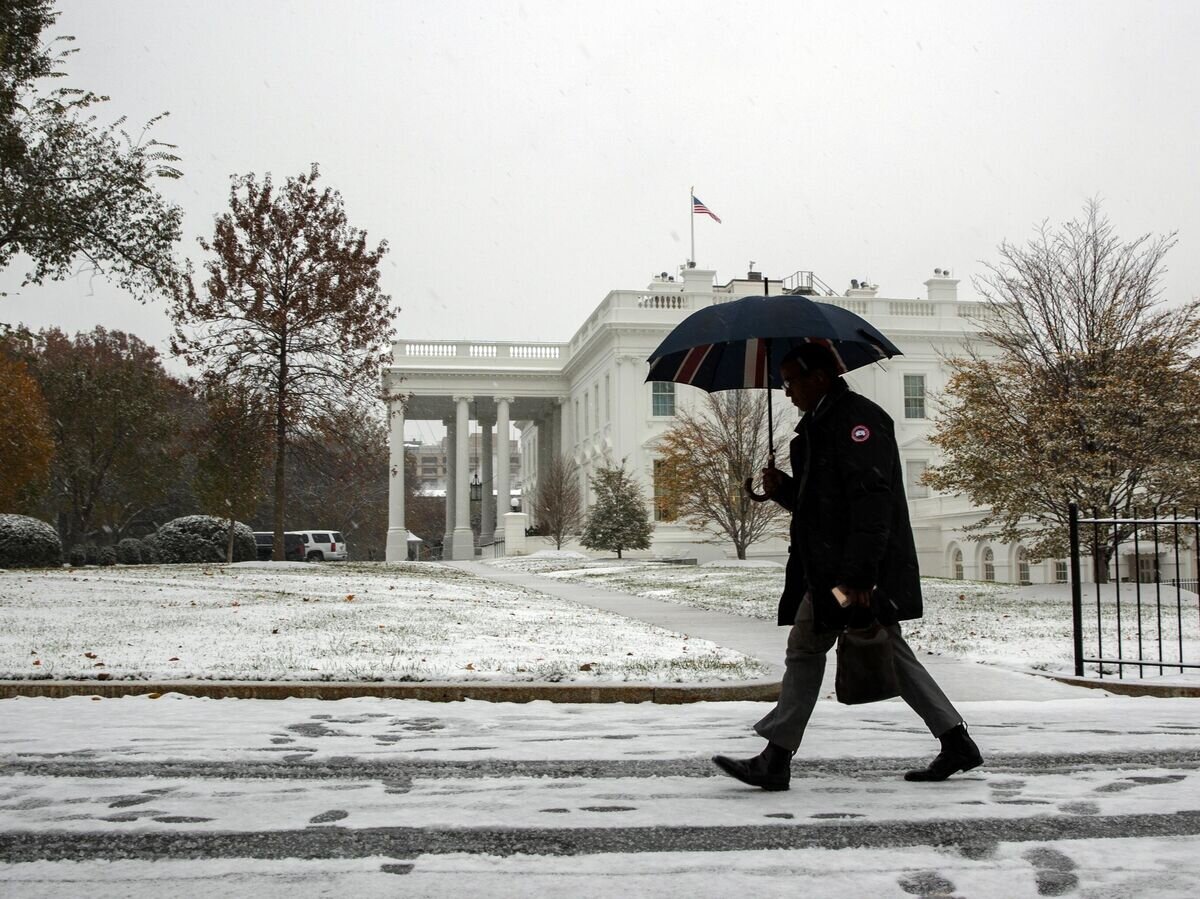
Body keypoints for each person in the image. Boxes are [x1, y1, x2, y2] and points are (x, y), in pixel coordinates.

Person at [712, 343, 982, 791]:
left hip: (849, 574)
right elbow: (825, 503)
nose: (786, 392)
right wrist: (782, 491)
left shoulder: (859, 422)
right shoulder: (821, 424)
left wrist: (858, 578)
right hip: (832, 568)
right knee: (887, 651)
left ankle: (776, 757)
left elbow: (872, 504)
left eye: (791, 381)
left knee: (806, 647)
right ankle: (956, 741)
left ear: (818, 377)